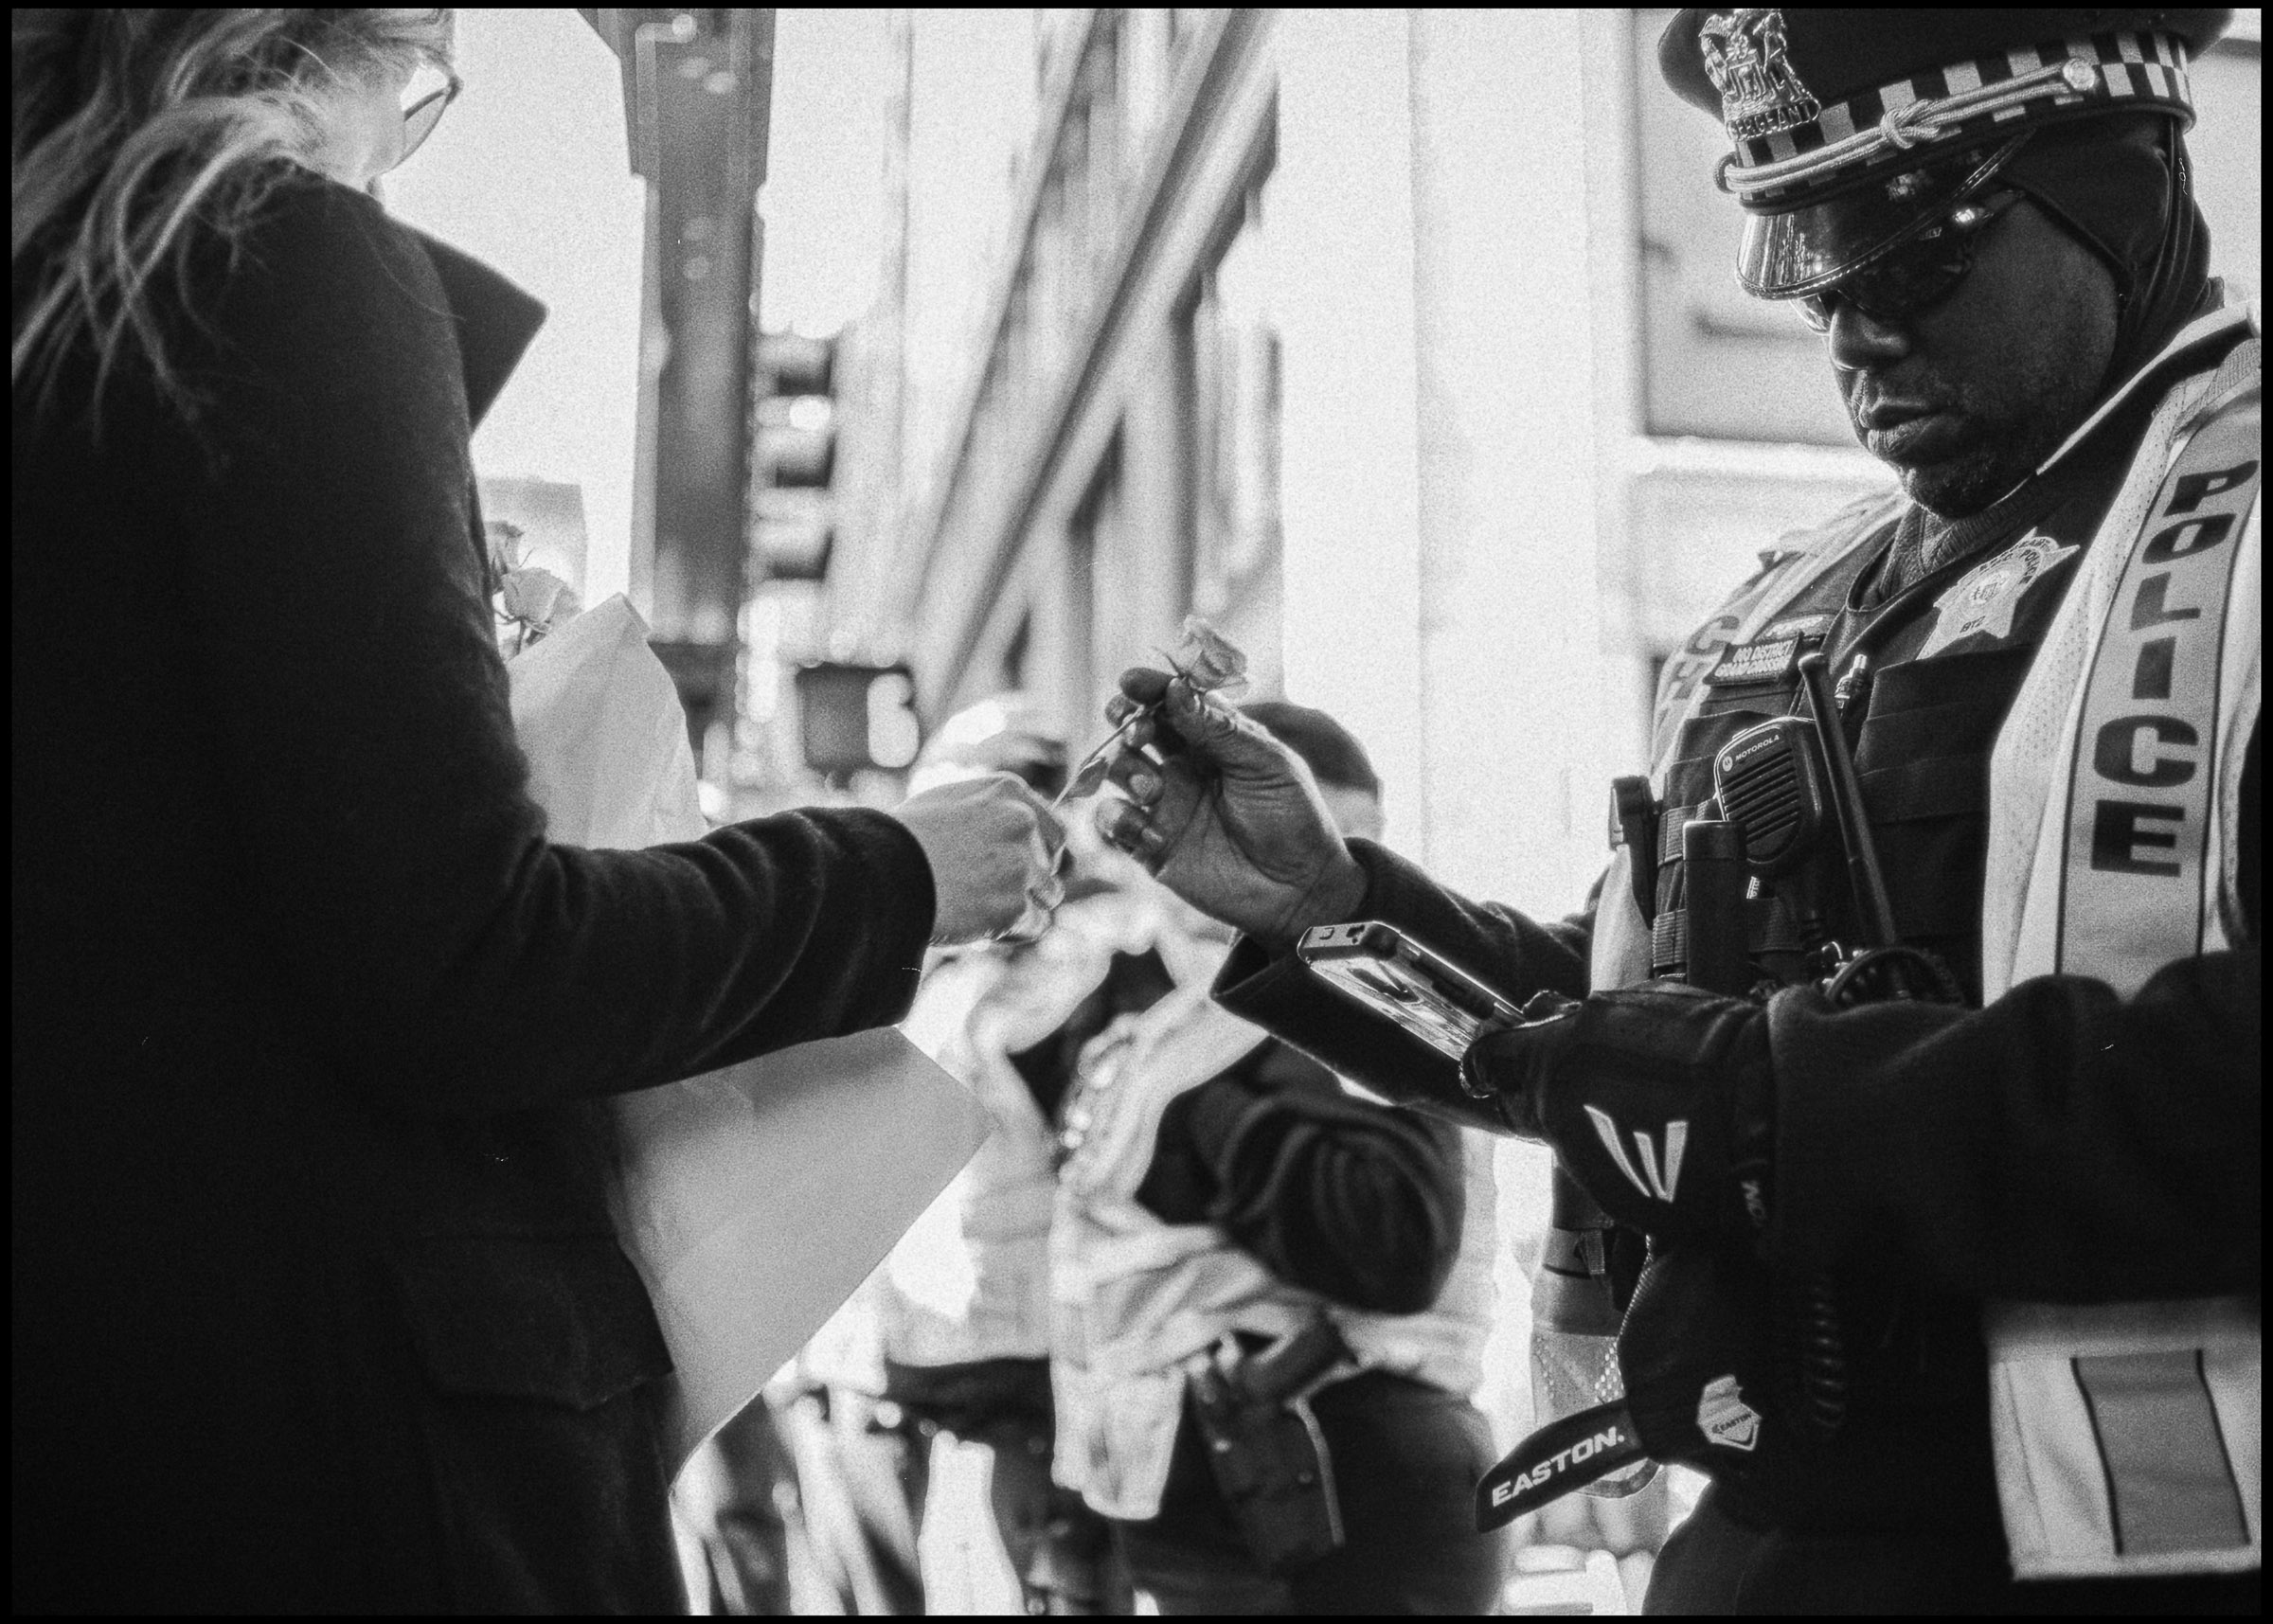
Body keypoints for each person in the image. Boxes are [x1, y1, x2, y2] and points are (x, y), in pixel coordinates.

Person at [1092, 9, 2257, 1614]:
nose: (1852, 342)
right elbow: (1621, 1027)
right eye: (1820, 285)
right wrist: (1339, 908)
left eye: (1906, 264)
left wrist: (1760, 1110)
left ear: (2115, 185)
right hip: (1769, 1538)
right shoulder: (1815, 594)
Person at [10, 10, 1063, 1613]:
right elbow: (459, 957)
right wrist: (892, 875)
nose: (394, 153)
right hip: (340, 1459)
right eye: (422, 96)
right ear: (323, 54)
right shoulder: (268, 256)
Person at [1056, 701, 1507, 1615]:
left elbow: (1394, 1233)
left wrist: (1211, 1117)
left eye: (1350, 846)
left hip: (1337, 1485)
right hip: (1233, 1496)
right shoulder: (1179, 1008)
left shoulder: (1345, 990)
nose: (1335, 883)